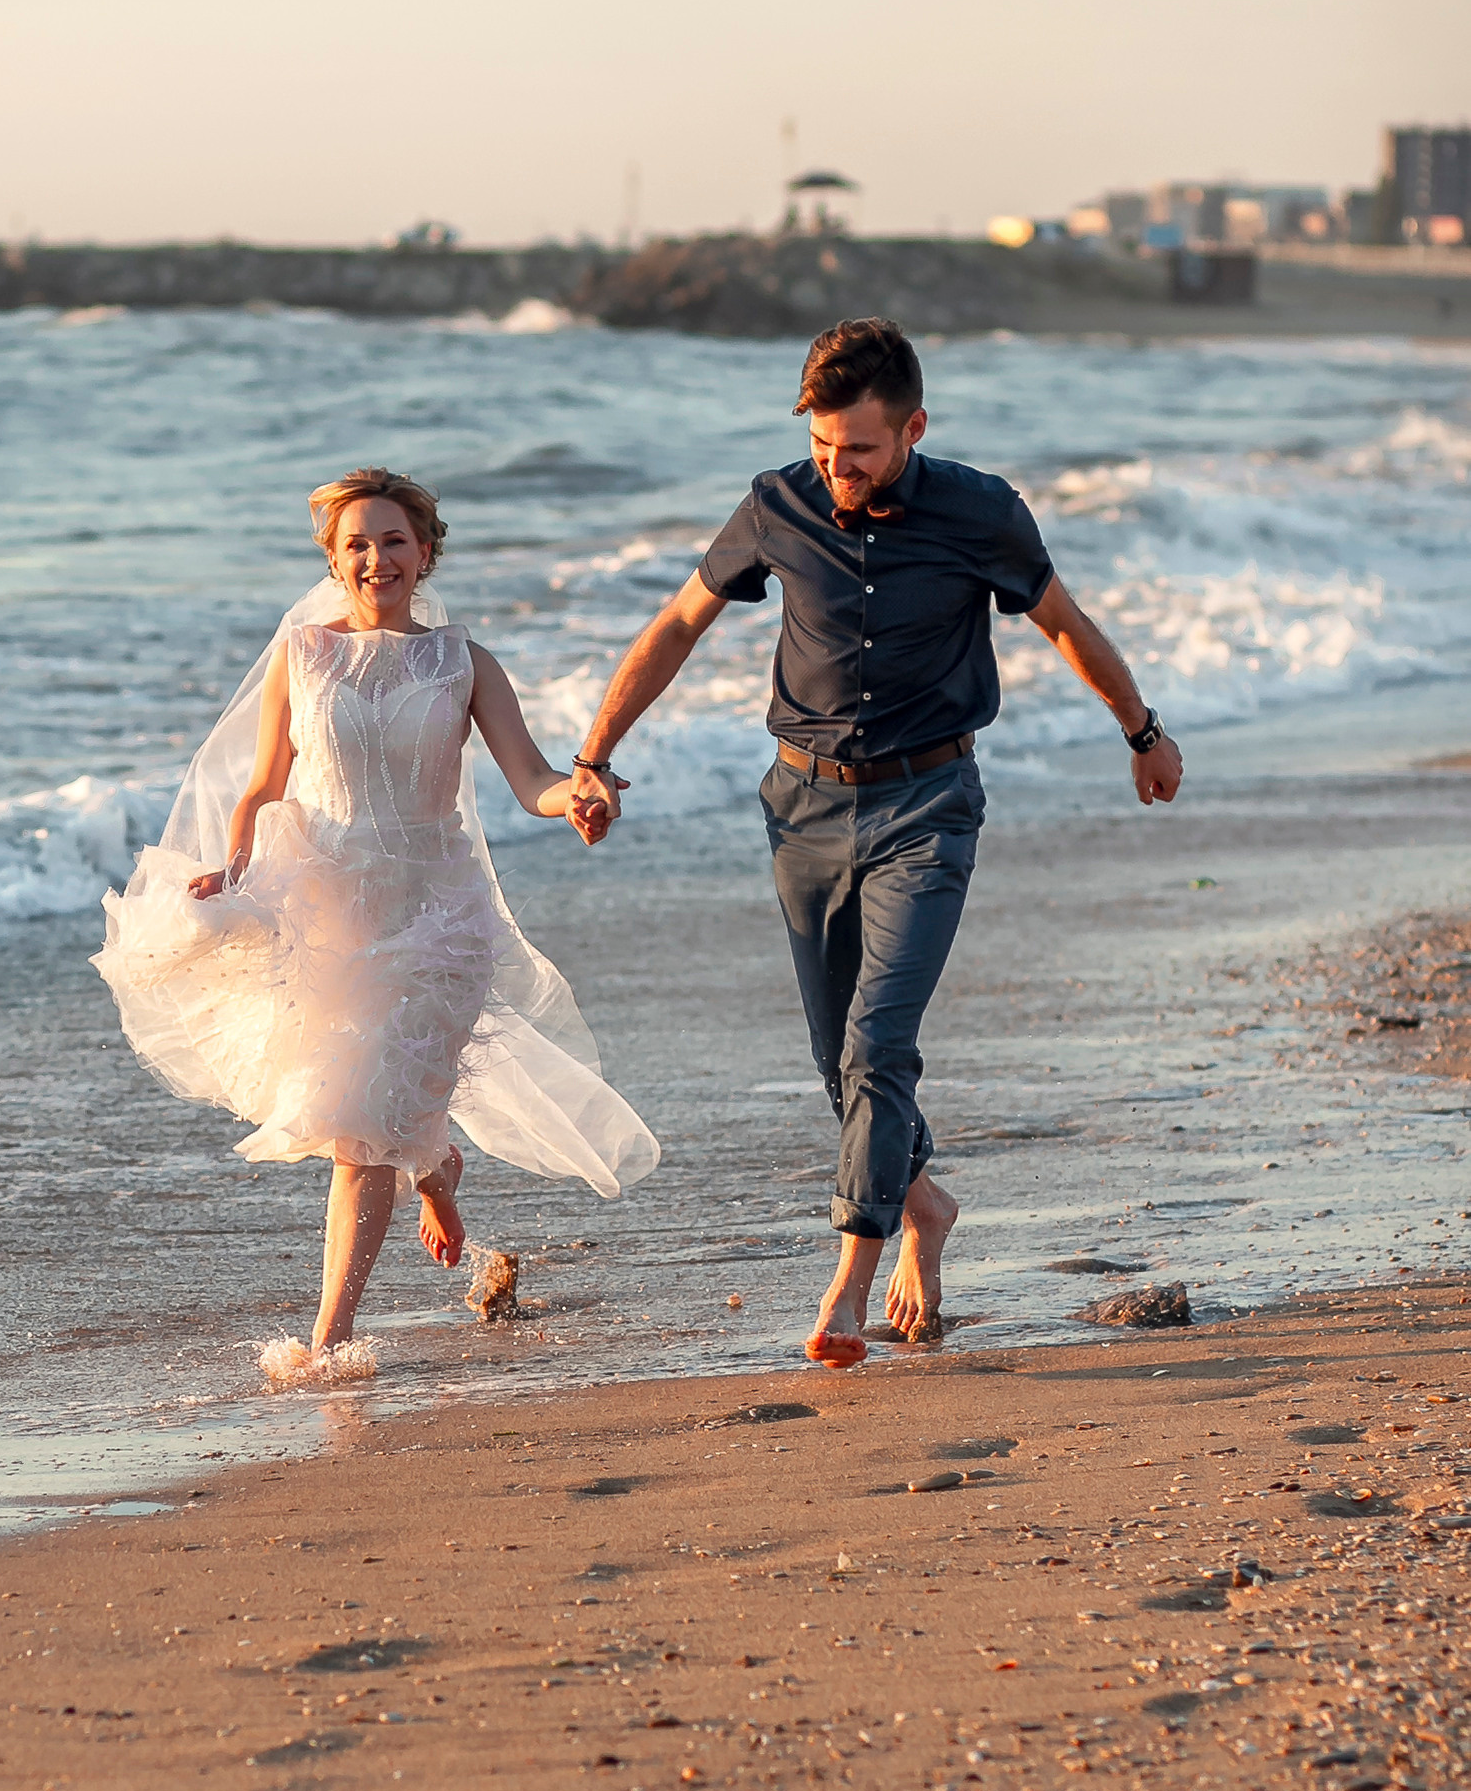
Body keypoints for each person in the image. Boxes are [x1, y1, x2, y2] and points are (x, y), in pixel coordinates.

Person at [567, 317, 1182, 1367]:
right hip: (799, 807)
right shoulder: (776, 503)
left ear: (911, 430)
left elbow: (1067, 624)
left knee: (877, 1044)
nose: (836, 467)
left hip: (928, 803)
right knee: (836, 1061)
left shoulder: (981, 512)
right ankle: (923, 1203)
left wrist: (1142, 731)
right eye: (821, 446)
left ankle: (851, 1275)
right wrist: (593, 753)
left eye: (856, 448)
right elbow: (676, 625)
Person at [96, 471, 656, 1383]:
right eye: (355, 543)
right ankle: (434, 1166)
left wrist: (579, 798)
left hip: (439, 918)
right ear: (332, 559)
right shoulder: (303, 653)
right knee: (352, 1104)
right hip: (328, 917)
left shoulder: (463, 661)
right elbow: (262, 784)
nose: (375, 559)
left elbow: (530, 779)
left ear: (424, 552)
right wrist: (232, 865)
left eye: (393, 541)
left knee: (358, 1133)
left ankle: (327, 1342)